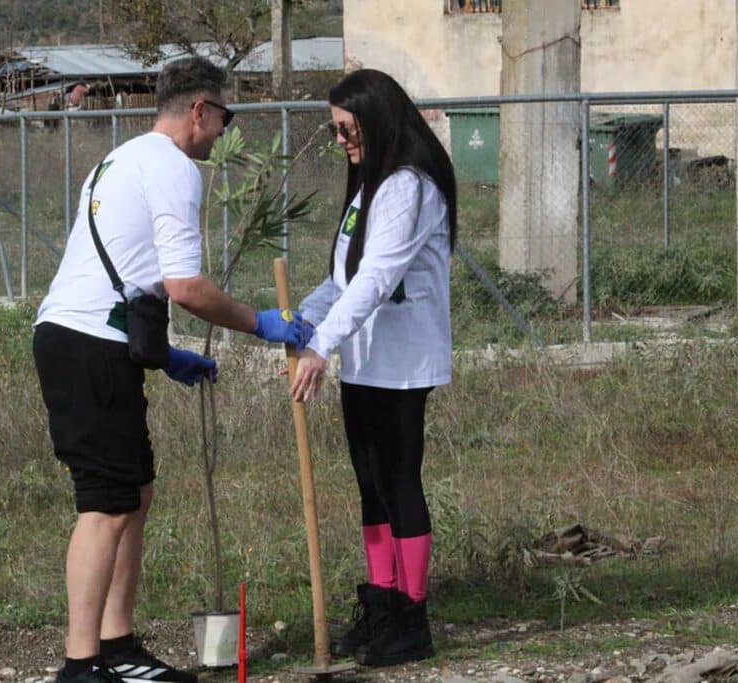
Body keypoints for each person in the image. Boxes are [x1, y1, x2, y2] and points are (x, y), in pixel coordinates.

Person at [33, 56, 313, 683]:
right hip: (87, 345)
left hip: (86, 338)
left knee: (134, 494)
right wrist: (258, 322)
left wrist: (161, 355)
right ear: (198, 110)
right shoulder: (175, 169)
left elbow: (130, 273)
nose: (222, 131)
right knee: (104, 506)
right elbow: (185, 286)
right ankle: (82, 666)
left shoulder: (121, 159)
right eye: (224, 116)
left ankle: (117, 645)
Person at [289, 69, 458, 667]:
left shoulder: (409, 186)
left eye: (347, 129)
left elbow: (380, 277)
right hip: (365, 361)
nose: (341, 142)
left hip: (402, 362)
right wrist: (300, 317)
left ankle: (412, 618)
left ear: (377, 118)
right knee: (369, 485)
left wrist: (321, 346)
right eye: (335, 131)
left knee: (399, 483)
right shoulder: (369, 187)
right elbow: (345, 279)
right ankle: (382, 602)